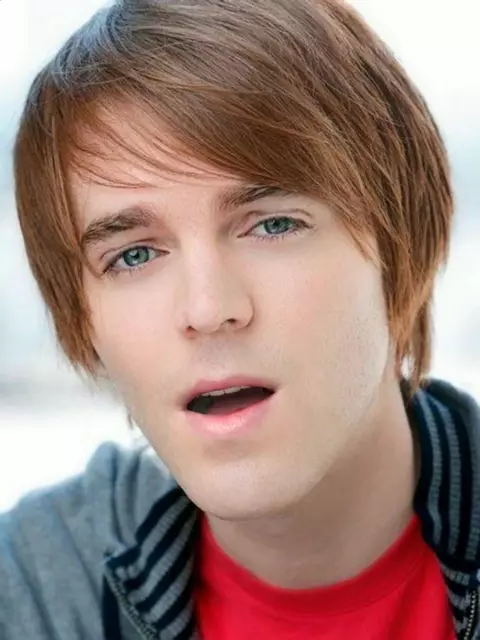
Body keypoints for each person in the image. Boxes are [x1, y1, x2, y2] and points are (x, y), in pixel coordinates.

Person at [2, 0, 479, 638]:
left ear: (399, 248)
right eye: (134, 255)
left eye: (273, 224)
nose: (208, 309)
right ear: (82, 319)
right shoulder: (31, 593)